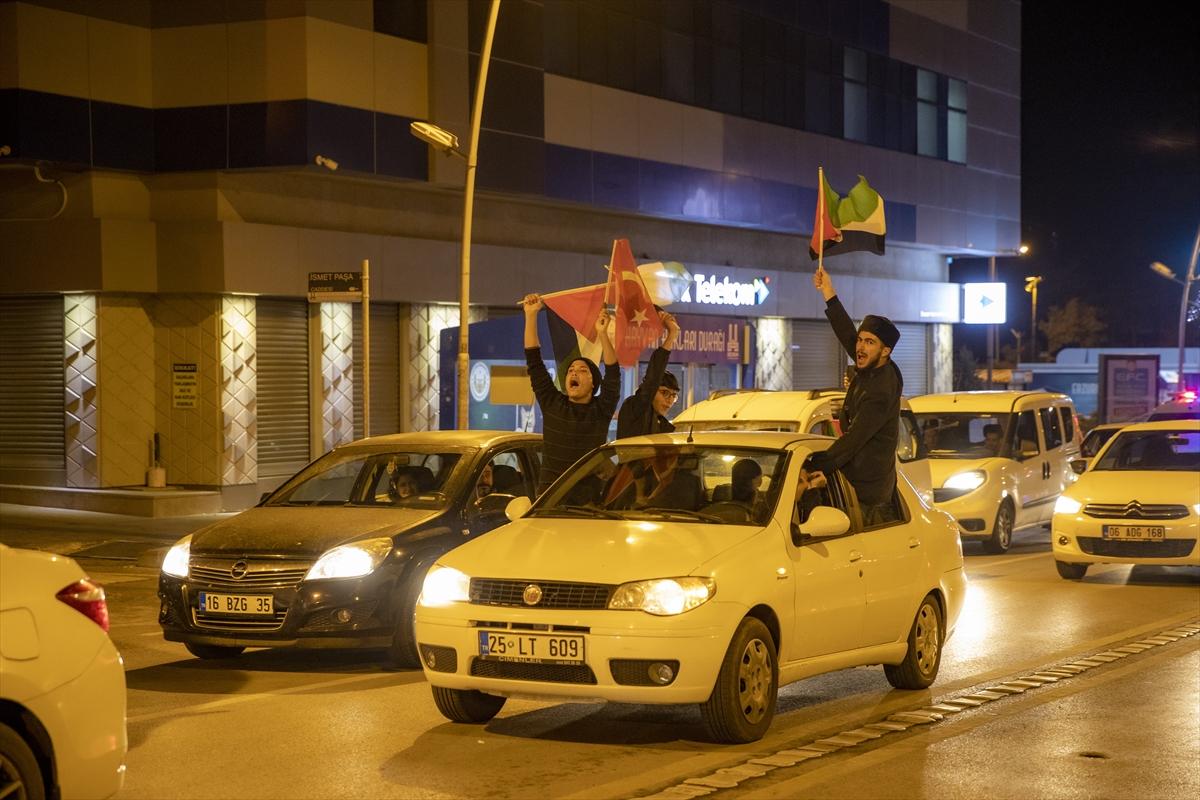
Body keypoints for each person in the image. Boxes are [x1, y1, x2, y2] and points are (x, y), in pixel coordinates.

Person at [807, 265, 903, 525]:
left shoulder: (881, 391)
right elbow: (846, 333)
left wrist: (814, 464)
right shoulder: (871, 363)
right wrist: (828, 291)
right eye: (860, 340)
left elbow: (853, 440)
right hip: (851, 485)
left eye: (869, 342)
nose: (860, 347)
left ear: (886, 351)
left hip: (867, 498)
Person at [523, 293, 620, 494]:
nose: (574, 372)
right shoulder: (552, 402)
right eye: (571, 370)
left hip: (589, 502)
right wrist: (531, 316)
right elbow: (534, 361)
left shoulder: (600, 410)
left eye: (583, 370)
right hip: (550, 499)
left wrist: (602, 333)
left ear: (594, 383)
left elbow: (613, 374)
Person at [616, 310, 681, 438]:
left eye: (673, 395)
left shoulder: (664, 426)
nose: (669, 400)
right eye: (665, 393)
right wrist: (673, 334)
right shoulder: (635, 407)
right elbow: (653, 376)